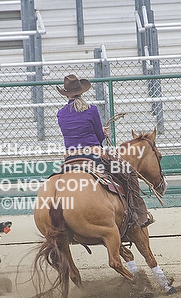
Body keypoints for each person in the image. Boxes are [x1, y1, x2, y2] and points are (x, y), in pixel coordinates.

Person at [55, 74, 153, 228]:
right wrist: (103, 133)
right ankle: (138, 215)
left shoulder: (61, 114)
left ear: (66, 94)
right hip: (93, 156)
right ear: (81, 92)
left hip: (70, 159)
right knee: (129, 173)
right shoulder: (91, 110)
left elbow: (73, 134)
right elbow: (98, 137)